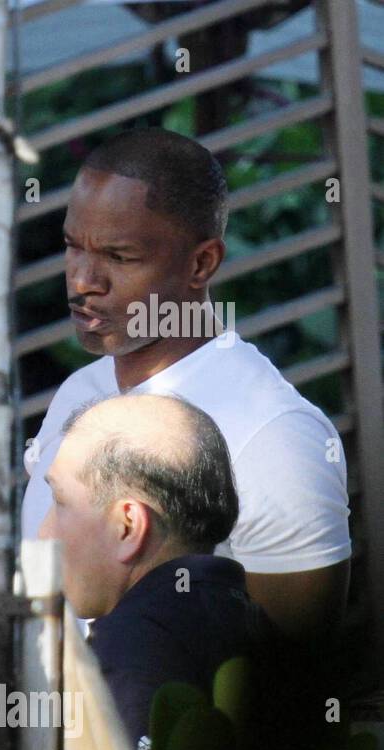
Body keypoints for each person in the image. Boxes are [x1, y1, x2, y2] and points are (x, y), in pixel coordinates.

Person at [21, 128, 350, 642]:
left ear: (202, 263)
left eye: (119, 257)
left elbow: (292, 687)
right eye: (72, 247)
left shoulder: (275, 436)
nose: (83, 280)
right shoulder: (79, 392)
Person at [38, 392, 277, 750]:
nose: (44, 534)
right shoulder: (248, 618)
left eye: (60, 503)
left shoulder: (132, 646)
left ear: (127, 526)